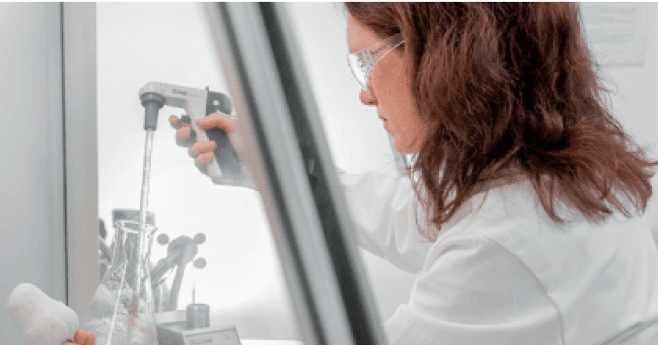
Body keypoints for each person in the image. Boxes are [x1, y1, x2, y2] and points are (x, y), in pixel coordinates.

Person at [170, 2, 658, 344]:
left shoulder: (505, 243)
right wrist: (272, 167)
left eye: (367, 62)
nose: (364, 94)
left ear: (445, 55)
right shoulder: (561, 179)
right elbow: (412, 215)